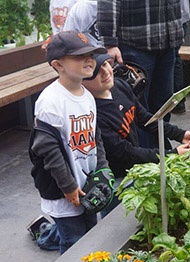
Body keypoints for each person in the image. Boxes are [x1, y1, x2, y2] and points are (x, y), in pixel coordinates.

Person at [81, 53, 190, 216]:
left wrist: (180, 134)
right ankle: (46, 231)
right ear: (82, 80)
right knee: (114, 223)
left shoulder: (120, 86)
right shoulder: (94, 115)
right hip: (113, 179)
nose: (106, 72)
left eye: (106, 64)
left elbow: (144, 118)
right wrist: (172, 154)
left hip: (132, 170)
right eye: (96, 72)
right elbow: (126, 152)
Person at [27, 30, 109, 254]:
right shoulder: (50, 101)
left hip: (87, 184)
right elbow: (47, 149)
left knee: (89, 233)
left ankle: (44, 233)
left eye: (91, 54)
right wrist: (68, 186)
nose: (89, 60)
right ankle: (47, 235)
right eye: (79, 56)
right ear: (58, 64)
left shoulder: (88, 95)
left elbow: (95, 135)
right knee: (74, 242)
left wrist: (102, 167)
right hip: (63, 189)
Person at [97, 0, 184, 148]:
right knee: (137, 109)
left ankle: (161, 149)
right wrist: (110, 43)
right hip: (136, 44)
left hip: (168, 43)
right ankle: (144, 159)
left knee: (164, 104)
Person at [172, 0, 190, 114]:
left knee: (174, 58)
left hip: (176, 18)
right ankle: (178, 103)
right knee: (175, 58)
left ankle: (177, 103)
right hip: (181, 17)